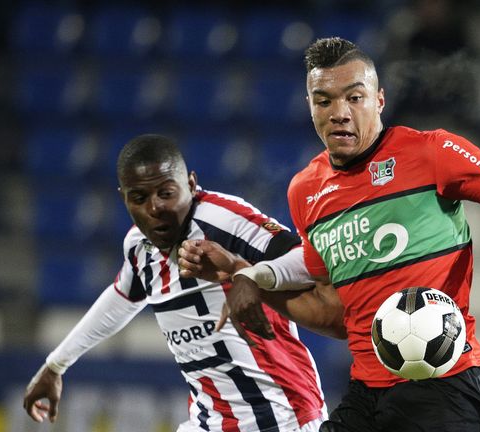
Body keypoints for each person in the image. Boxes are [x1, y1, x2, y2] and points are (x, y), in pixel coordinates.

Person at [178, 37, 480, 432]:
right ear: (310, 106)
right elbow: (338, 317)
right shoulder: (306, 191)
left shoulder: (433, 153)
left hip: (447, 387)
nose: (339, 113)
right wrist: (251, 278)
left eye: (354, 97)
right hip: (369, 394)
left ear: (379, 100)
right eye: (323, 100)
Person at [22, 134, 340, 432]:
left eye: (166, 193)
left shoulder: (223, 220)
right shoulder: (138, 247)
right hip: (208, 421)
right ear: (124, 199)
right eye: (140, 198)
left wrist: (248, 275)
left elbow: (311, 261)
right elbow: (121, 299)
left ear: (190, 183)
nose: (155, 208)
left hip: (282, 418)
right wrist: (56, 364)